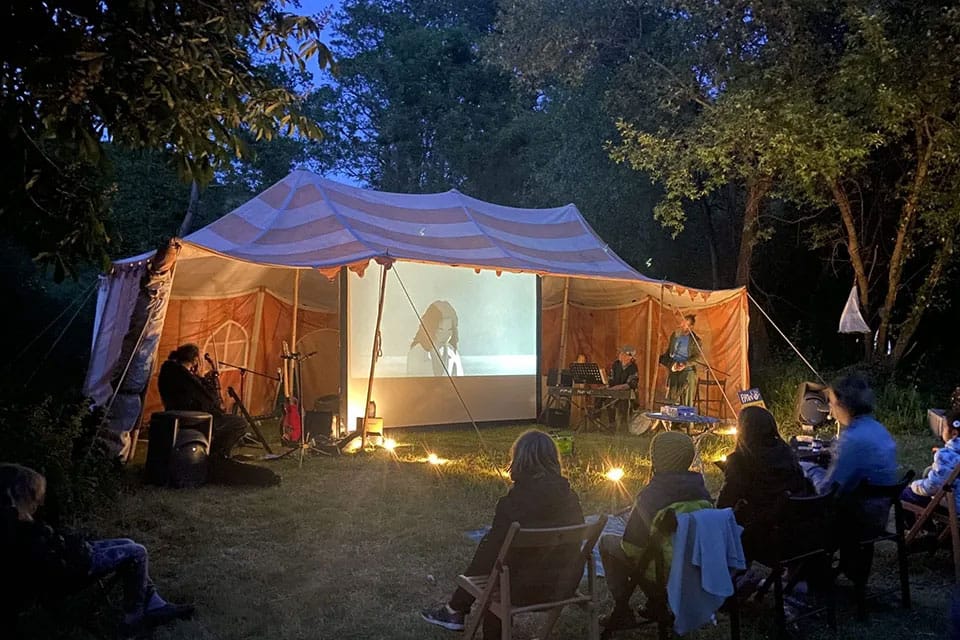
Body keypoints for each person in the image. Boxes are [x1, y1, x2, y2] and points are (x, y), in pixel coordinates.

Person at [420, 429, 584, 636]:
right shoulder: (571, 498)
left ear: (519, 460)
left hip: (523, 590)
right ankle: (455, 609)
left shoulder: (512, 505)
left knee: (494, 562)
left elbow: (494, 556)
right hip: (565, 585)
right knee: (498, 556)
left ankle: (456, 609)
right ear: (553, 459)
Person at [0, 463, 194, 636]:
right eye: (35, 496)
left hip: (71, 556)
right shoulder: (23, 530)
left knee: (127, 541)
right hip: (72, 571)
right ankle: (133, 619)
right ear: (21, 494)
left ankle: (155, 604)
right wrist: (71, 544)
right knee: (138, 552)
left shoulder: (15, 521)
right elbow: (51, 560)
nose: (38, 503)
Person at [599, 431, 712, 628]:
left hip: (664, 572)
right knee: (653, 550)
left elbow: (631, 547)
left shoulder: (653, 495)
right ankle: (655, 604)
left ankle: (623, 609)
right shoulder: (702, 491)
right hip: (695, 568)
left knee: (608, 542)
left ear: (658, 459)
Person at [799, 372, 898, 586]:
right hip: (879, 515)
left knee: (801, 515)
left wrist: (809, 468)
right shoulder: (879, 430)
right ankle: (840, 571)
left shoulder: (852, 439)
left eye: (833, 404)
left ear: (844, 404)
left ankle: (812, 578)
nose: (831, 412)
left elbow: (827, 491)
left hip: (856, 520)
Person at [716, 406, 810, 563]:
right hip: (798, 535)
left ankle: (734, 576)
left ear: (743, 430)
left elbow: (726, 502)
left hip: (764, 538)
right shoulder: (787, 453)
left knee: (720, 524)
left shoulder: (742, 460)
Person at [157, 343, 247, 461]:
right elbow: (209, 400)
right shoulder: (186, 377)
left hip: (178, 415)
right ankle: (216, 456)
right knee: (239, 423)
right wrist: (203, 379)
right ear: (195, 360)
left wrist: (200, 379)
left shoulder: (169, 372)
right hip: (195, 419)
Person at [901, 408, 960, 529]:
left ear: (954, 433)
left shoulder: (946, 456)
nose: (942, 431)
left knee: (905, 494)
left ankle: (923, 529)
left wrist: (914, 485)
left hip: (954, 508)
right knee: (928, 472)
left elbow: (932, 487)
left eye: (944, 428)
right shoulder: (949, 455)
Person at [407, 300, 463, 377]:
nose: (445, 335)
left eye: (449, 330)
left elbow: (460, 382)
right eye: (440, 329)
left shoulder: (453, 353)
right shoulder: (417, 353)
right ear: (431, 328)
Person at [662, 315, 701, 407]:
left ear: (691, 326)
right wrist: (670, 364)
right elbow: (669, 352)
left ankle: (686, 420)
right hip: (674, 369)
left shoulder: (695, 340)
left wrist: (685, 364)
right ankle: (674, 420)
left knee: (686, 398)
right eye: (682, 322)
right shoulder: (674, 336)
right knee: (673, 397)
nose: (682, 324)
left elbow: (697, 357)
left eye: (685, 322)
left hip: (687, 370)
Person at [607, 345, 640, 432]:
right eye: (620, 353)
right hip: (614, 391)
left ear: (629, 357)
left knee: (623, 403)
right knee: (604, 399)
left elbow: (630, 384)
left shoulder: (633, 367)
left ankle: (623, 428)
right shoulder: (616, 364)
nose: (620, 354)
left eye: (622, 353)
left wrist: (615, 388)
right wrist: (608, 385)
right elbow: (611, 379)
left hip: (627, 393)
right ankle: (609, 425)